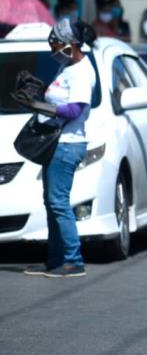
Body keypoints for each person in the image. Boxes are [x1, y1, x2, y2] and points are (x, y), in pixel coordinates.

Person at [11, 19, 97, 278]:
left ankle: (73, 260)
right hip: (56, 143)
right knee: (52, 203)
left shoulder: (82, 71)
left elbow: (74, 110)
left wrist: (40, 107)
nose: (53, 48)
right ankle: (55, 259)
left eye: (56, 43)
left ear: (71, 45)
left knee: (59, 203)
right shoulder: (67, 67)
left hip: (67, 144)